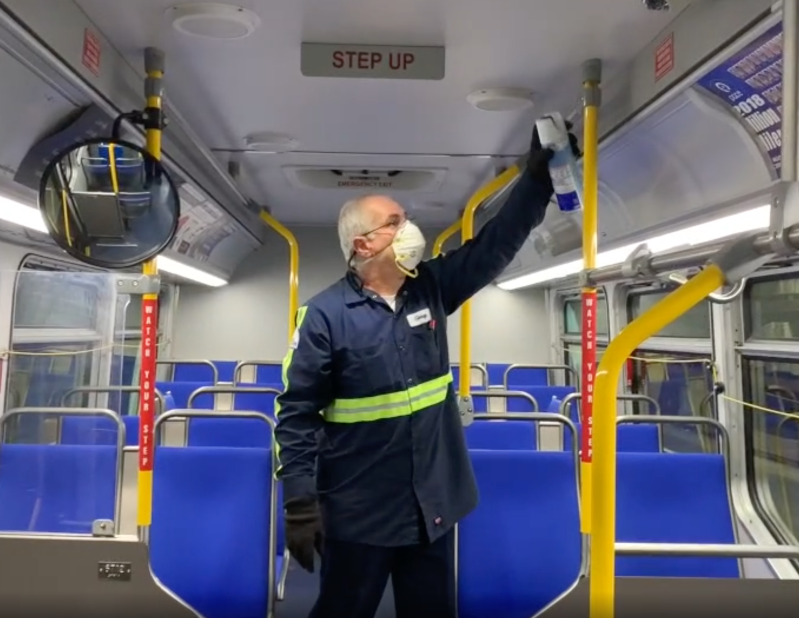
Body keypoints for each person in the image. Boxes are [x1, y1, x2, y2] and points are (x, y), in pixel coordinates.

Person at [274, 121, 580, 618]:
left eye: (405, 216)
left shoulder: (431, 288)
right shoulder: (323, 316)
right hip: (358, 514)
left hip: (431, 508)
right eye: (395, 221)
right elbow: (296, 415)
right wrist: (300, 503)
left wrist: (536, 177)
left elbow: (493, 245)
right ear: (364, 244)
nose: (409, 228)